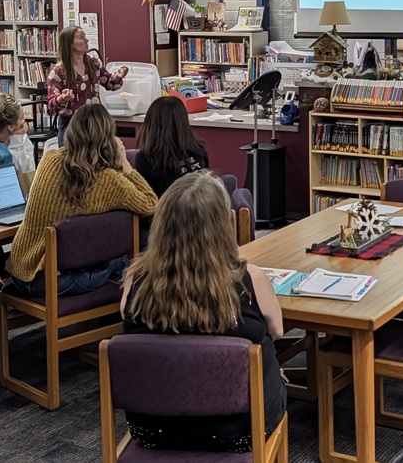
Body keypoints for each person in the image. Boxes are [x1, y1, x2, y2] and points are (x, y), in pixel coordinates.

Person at [120, 172, 286, 453]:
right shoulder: (248, 280)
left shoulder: (135, 280)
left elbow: (127, 322)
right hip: (237, 430)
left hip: (152, 429)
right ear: (224, 225)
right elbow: (278, 331)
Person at [6, 103, 156, 297]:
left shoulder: (50, 159)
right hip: (55, 281)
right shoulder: (110, 180)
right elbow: (151, 204)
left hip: (20, 272)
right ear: (108, 137)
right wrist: (126, 166)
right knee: (135, 251)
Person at [47, 27, 127, 146]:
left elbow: (109, 83)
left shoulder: (94, 63)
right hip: (71, 125)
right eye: (81, 37)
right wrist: (62, 99)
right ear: (69, 43)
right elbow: (51, 106)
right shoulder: (59, 71)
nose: (87, 40)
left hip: (95, 123)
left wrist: (117, 77)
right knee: (71, 161)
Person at [133, 96, 210, 197]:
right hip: (202, 209)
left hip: (166, 211)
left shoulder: (145, 160)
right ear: (183, 123)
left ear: (150, 125)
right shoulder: (198, 151)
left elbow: (145, 202)